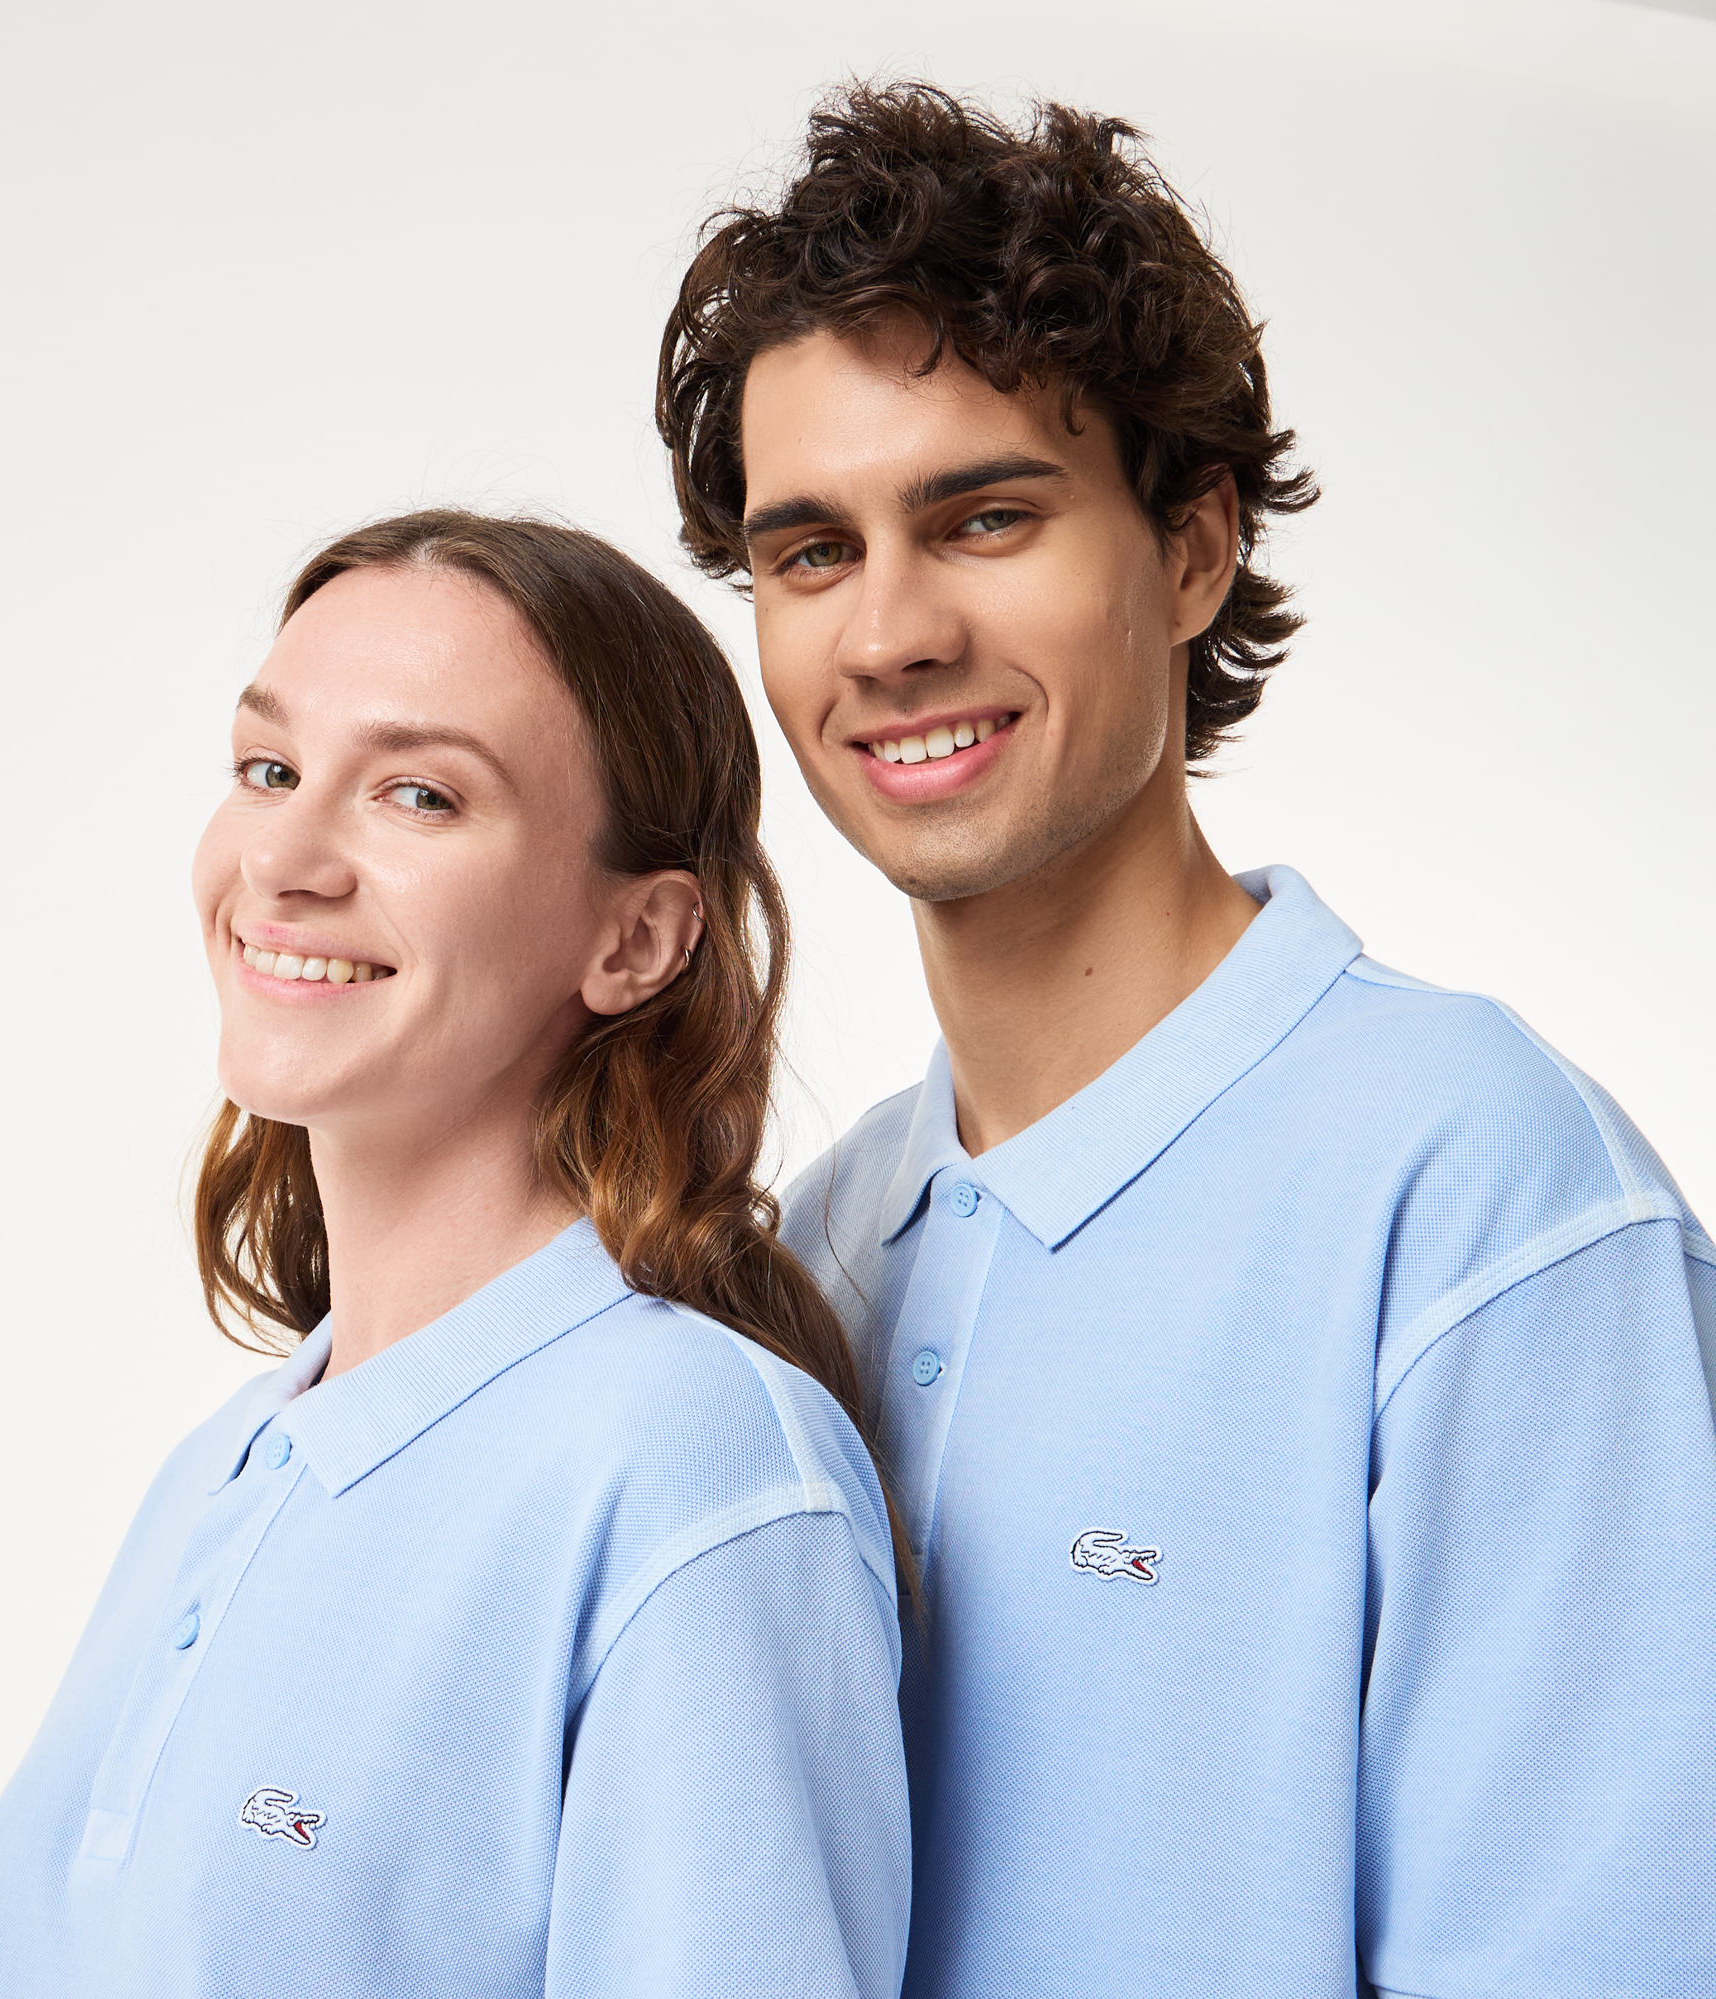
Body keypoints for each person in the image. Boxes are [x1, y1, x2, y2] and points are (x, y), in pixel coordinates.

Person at [656, 83, 1716, 1999]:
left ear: (1196, 552)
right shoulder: (814, 1261)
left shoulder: (1490, 1201)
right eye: (809, 553)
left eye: (984, 518)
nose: (887, 635)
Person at [0, 511, 911, 1997]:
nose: (284, 858)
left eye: (418, 794)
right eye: (268, 769)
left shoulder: (697, 1473)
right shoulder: (225, 1467)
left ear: (636, 940)